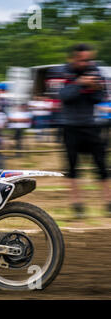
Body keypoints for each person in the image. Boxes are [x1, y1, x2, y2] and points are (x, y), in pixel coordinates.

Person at [54, 43, 109, 218]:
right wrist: (80, 84)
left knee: (102, 166)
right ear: (73, 58)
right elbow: (63, 96)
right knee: (72, 169)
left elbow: (100, 97)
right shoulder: (63, 72)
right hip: (70, 126)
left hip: (91, 125)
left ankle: (108, 203)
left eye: (88, 59)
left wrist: (94, 87)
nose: (86, 63)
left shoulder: (95, 71)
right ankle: (77, 205)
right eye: (82, 60)